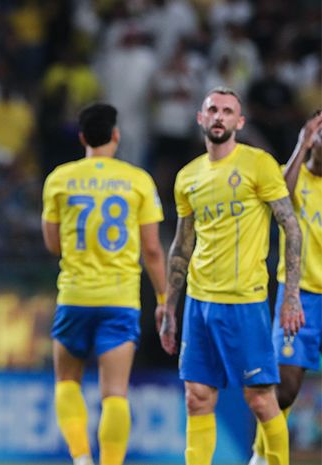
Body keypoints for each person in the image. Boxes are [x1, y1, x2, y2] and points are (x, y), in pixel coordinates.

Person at [157, 87, 304, 465]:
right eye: (213, 110)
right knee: (197, 398)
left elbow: (291, 227)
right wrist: (170, 307)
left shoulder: (259, 164)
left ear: (239, 122)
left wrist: (290, 296)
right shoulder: (187, 176)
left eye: (227, 111)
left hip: (244, 302)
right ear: (200, 119)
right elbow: (182, 244)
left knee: (260, 399)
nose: (219, 116)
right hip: (198, 304)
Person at [42, 103, 167, 465]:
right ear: (116, 135)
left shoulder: (60, 179)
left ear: (82, 138)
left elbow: (53, 245)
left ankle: (81, 458)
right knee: (115, 393)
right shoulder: (137, 180)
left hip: (75, 296)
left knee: (67, 382)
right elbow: (153, 250)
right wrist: (163, 297)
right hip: (121, 298)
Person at [248, 112, 322, 465]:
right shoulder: (293, 175)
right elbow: (279, 199)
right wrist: (300, 147)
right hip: (300, 296)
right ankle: (263, 457)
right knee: (287, 388)